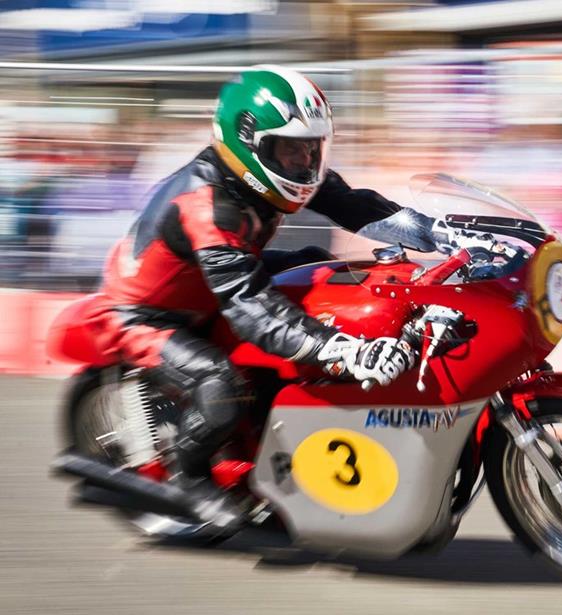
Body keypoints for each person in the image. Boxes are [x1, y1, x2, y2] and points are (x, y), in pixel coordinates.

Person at [89, 65, 479, 531]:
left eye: (310, 149)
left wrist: (447, 234)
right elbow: (251, 308)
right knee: (221, 382)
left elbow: (356, 206)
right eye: (289, 149)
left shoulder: (277, 174)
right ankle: (188, 477)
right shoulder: (208, 207)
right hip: (149, 313)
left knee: (324, 268)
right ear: (247, 143)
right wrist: (343, 350)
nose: (302, 163)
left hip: (216, 284)